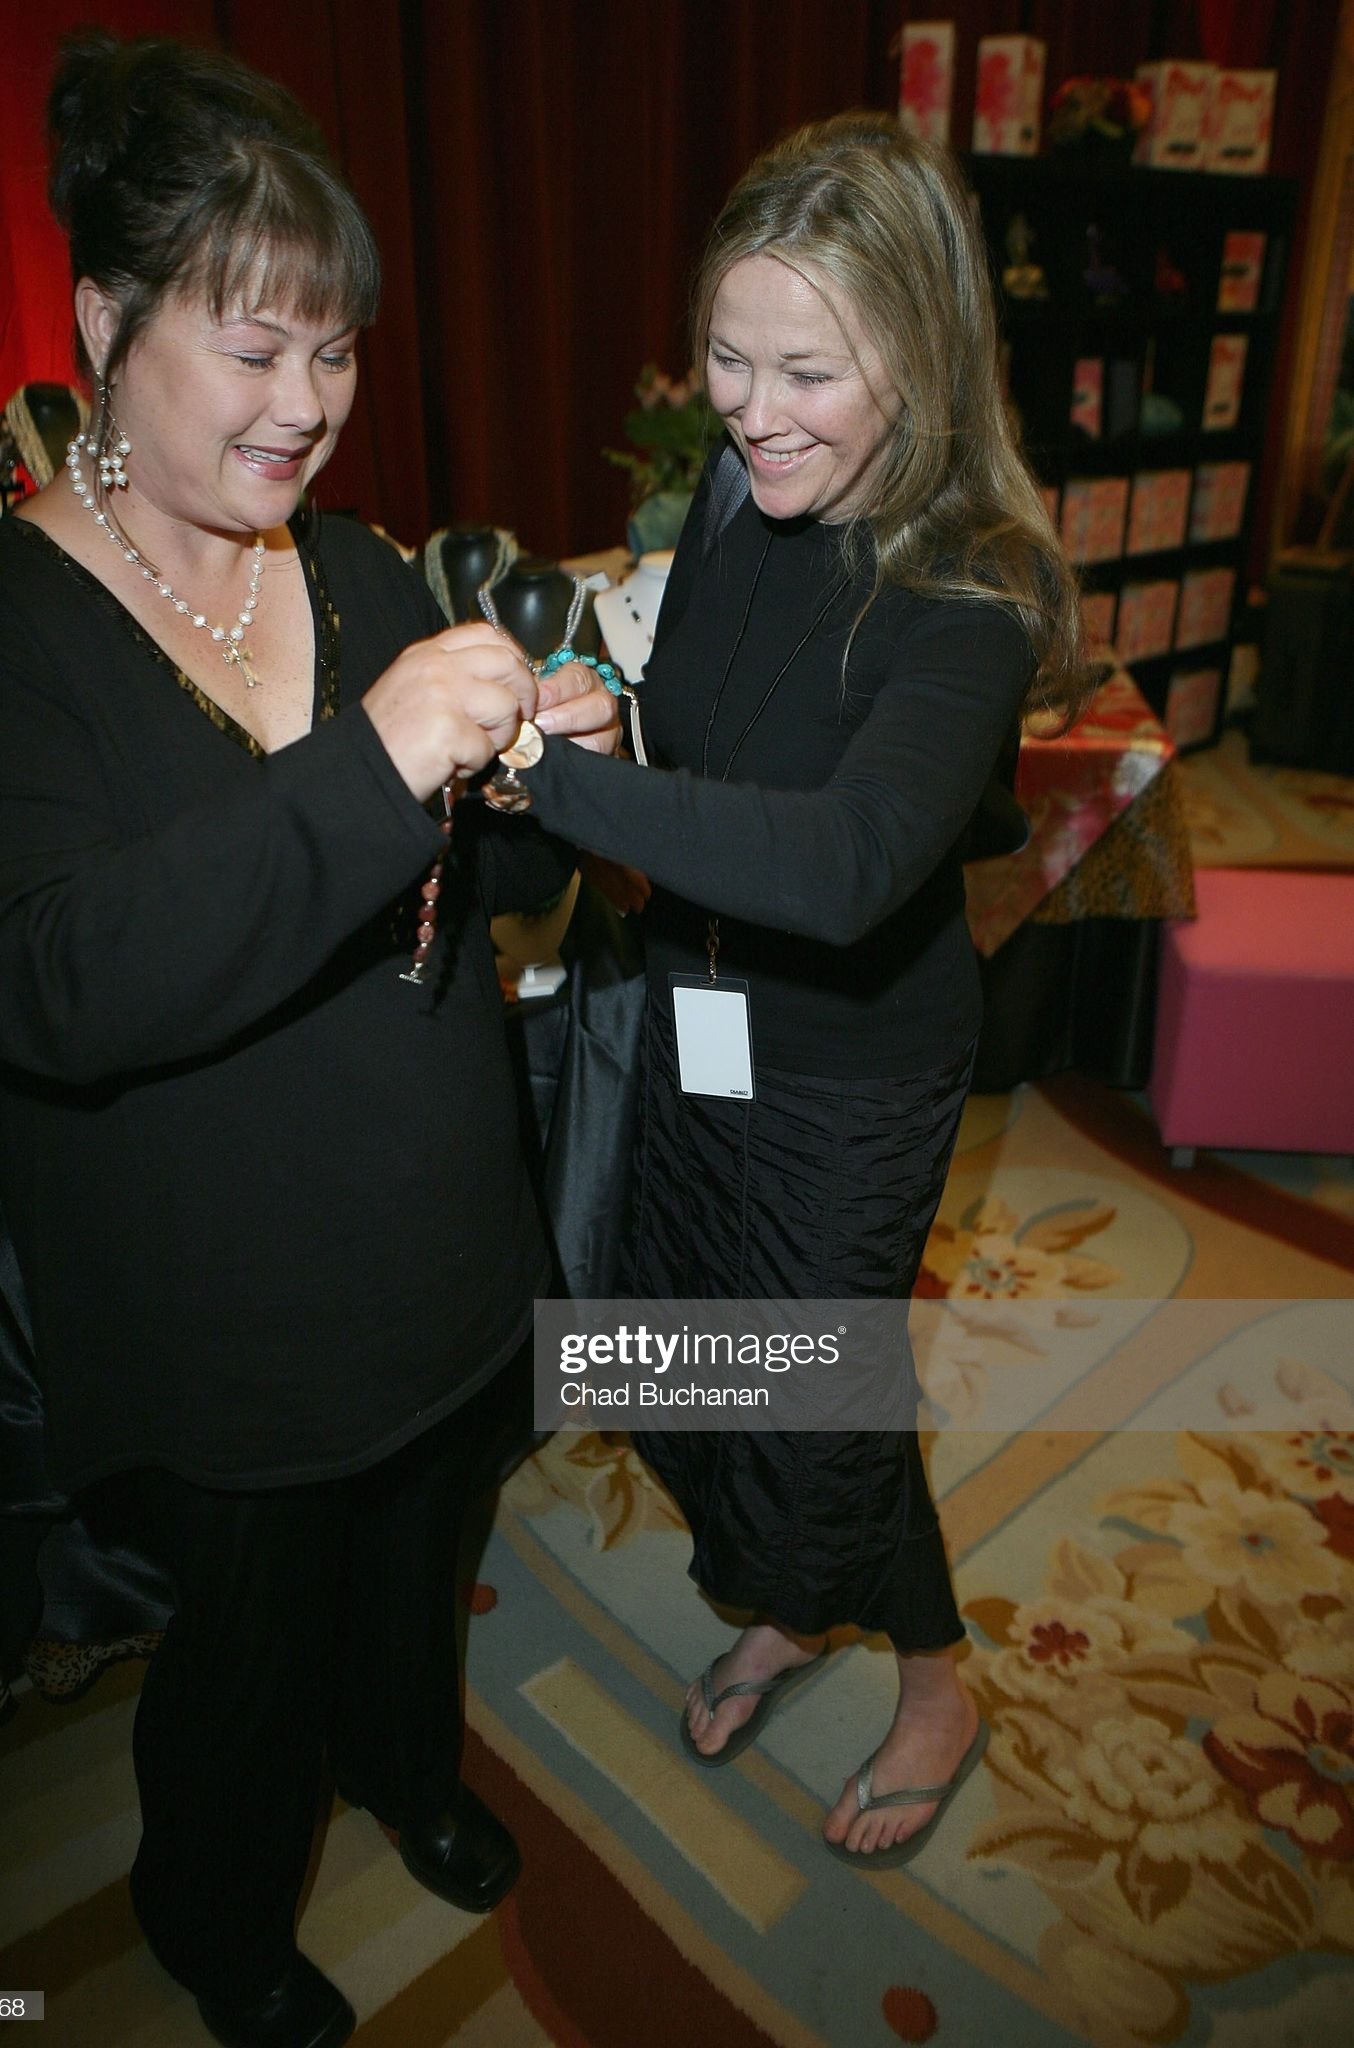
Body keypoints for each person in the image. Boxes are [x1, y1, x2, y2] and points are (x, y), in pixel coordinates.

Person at [0, 33, 615, 2048]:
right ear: (103, 328)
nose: (309, 404)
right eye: (254, 349)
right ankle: (213, 1917)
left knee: (416, 1576)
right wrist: (377, 764)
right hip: (227, 1317)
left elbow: (481, 904)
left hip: (439, 1250)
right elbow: (53, 980)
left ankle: (403, 1767)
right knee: (246, 1655)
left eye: (339, 352)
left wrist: (555, 783)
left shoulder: (361, 571)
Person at [512, 113, 1090, 1870]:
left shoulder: (973, 588)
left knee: (820, 1401)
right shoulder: (740, 487)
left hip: (849, 1075)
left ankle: (933, 1676)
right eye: (727, 357)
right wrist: (606, 722)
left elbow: (842, 864)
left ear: (919, 356)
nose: (751, 412)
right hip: (696, 1021)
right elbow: (711, 740)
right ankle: (786, 1603)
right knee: (704, 1358)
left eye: (807, 374)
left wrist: (553, 788)